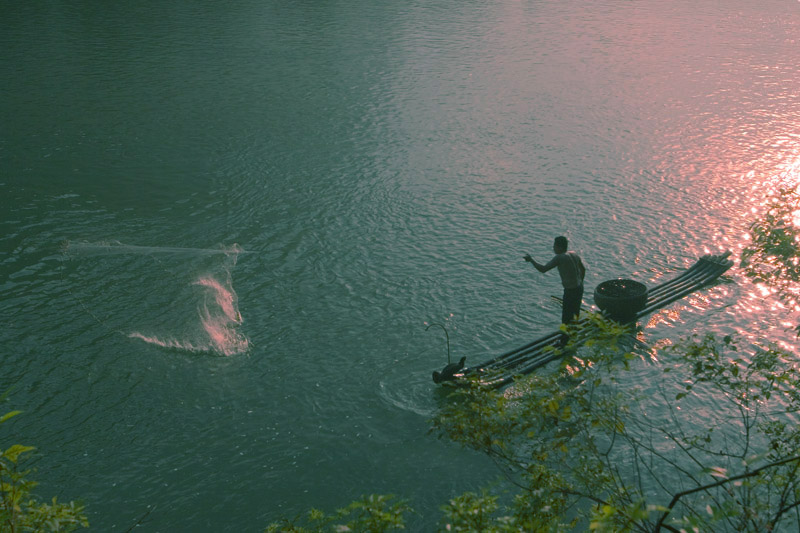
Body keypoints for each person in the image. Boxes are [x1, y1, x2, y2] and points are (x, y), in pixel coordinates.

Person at [524, 236, 586, 328]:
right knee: (575, 314)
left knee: (566, 319)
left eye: (554, 246)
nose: (553, 248)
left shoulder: (559, 257)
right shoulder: (574, 254)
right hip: (579, 288)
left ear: (559, 247)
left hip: (570, 291)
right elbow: (583, 269)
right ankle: (575, 334)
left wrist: (531, 260)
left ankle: (565, 340)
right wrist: (580, 281)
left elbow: (543, 269)